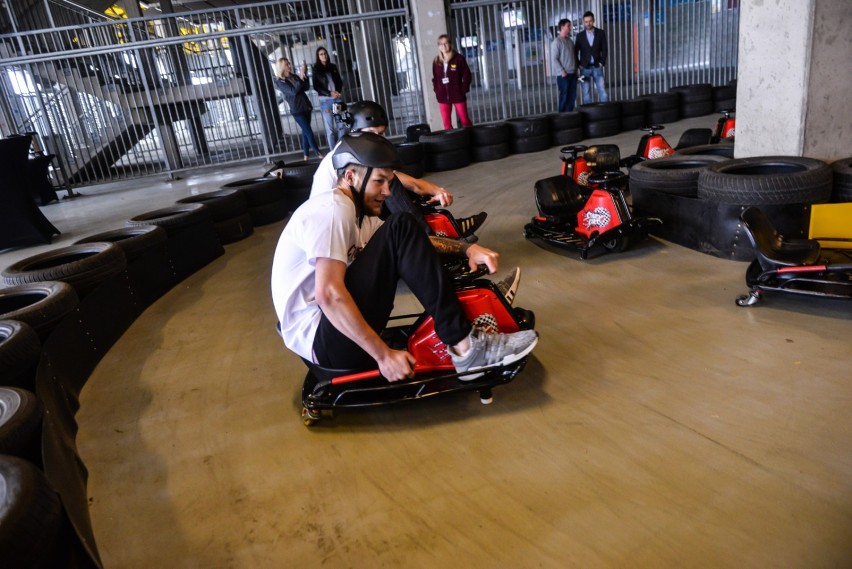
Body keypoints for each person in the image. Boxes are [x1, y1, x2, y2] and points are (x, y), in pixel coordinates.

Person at [271, 132, 537, 380]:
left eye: (389, 182)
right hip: (326, 343)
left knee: (402, 231)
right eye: (379, 182)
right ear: (350, 177)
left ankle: (473, 310)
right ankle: (468, 349)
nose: (387, 192)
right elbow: (328, 295)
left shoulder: (359, 217)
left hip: (335, 335)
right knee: (401, 225)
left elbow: (416, 244)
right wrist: (382, 355)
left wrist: (466, 249)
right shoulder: (332, 209)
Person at [311, 100, 487, 239]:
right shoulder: (346, 157)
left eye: (381, 134)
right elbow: (392, 180)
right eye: (373, 133)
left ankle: (445, 227)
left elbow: (410, 182)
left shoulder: (356, 152)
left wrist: (435, 190)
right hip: (342, 232)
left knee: (403, 189)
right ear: (356, 132)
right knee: (390, 186)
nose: (379, 139)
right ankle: (428, 241)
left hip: (360, 218)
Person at [274, 57, 322, 160]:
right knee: (308, 131)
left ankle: (306, 156)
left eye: (289, 64)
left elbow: (305, 87)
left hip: (306, 107)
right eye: (287, 64)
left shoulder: (294, 76)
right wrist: (300, 77)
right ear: (282, 67)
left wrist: (305, 75)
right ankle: (318, 154)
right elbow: (293, 91)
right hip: (297, 110)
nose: (289, 66)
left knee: (305, 132)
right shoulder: (280, 82)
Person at [432, 35, 473, 129]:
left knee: (465, 121)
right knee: (447, 124)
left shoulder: (458, 59)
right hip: (443, 97)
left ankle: (472, 138)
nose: (443, 46)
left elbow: (467, 75)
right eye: (440, 44)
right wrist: (437, 90)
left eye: (445, 43)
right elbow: (435, 78)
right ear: (438, 46)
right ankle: (451, 142)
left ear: (450, 44)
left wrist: (463, 89)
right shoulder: (436, 61)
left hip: (457, 95)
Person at [312, 47, 345, 149]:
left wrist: (338, 92)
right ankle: (332, 151)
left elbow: (339, 81)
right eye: (321, 54)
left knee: (341, 126)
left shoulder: (333, 67)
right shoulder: (316, 69)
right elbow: (316, 86)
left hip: (337, 100)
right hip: (326, 101)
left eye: (325, 53)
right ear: (318, 57)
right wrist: (329, 93)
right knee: (330, 129)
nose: (324, 55)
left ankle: (340, 148)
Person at [574, 11, 608, 104]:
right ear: (583, 22)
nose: (588, 23)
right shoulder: (580, 36)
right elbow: (575, 52)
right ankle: (589, 114)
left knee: (602, 91)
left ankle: (607, 112)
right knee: (586, 93)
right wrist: (578, 65)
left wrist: (602, 62)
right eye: (586, 22)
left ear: (593, 21)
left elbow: (604, 49)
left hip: (597, 66)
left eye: (590, 21)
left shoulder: (601, 33)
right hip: (584, 68)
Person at [551, 19, 578, 112]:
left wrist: (576, 70)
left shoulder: (570, 41)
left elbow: (573, 56)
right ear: (562, 27)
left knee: (572, 96)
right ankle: (561, 117)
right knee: (564, 96)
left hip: (573, 73)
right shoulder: (556, 42)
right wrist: (562, 71)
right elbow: (554, 59)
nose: (570, 28)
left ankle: (568, 116)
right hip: (563, 75)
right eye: (568, 26)